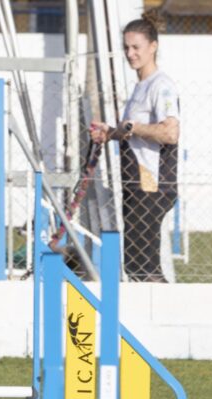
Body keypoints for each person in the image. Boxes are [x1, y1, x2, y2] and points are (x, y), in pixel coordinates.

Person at [90, 10, 179, 283]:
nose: (130, 54)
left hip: (151, 182)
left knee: (143, 264)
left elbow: (169, 132)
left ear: (153, 47)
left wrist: (133, 128)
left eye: (136, 47)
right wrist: (111, 132)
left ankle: (165, 313)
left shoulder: (161, 86)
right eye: (126, 47)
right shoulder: (140, 87)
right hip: (134, 183)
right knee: (134, 261)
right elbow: (133, 131)